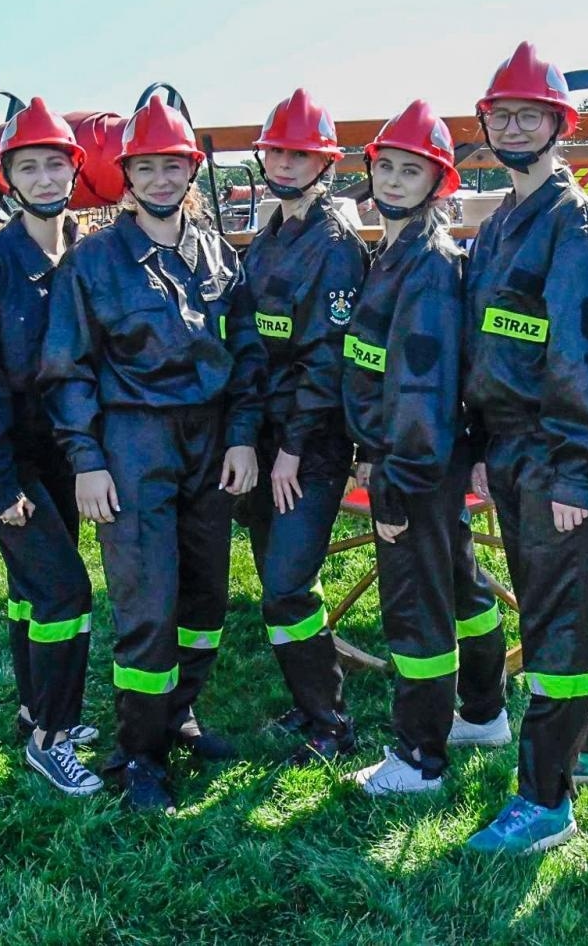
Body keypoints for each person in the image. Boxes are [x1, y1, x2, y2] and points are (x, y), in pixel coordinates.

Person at [40, 95, 266, 814]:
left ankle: (181, 711)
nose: (162, 179)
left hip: (210, 441)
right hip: (134, 442)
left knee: (206, 596)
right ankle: (139, 753)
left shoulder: (212, 250)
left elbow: (247, 351)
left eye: (174, 166)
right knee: (148, 603)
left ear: (190, 172)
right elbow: (67, 368)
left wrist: (240, 434)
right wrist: (87, 460)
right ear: (126, 173)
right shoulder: (93, 263)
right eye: (148, 166)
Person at [461, 42, 588, 854]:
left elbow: (583, 357)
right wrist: (487, 447)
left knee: (556, 628)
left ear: (559, 124)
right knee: (558, 607)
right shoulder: (497, 227)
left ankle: (543, 799)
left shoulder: (574, 220)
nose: (513, 124)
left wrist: (575, 467)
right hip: (514, 450)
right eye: (502, 113)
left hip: (558, 455)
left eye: (529, 113)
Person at [0, 98, 102, 797]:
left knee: (29, 592)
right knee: (65, 591)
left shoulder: (83, 252)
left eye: (54, 163)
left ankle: (32, 705)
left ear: (75, 167)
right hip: (12, 459)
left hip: (65, 451)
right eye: (27, 165)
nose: (43, 177)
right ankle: (52, 738)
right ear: (7, 177)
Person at [340, 99, 477, 794]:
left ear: (436, 182)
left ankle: (419, 757)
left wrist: (393, 483)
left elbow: (420, 389)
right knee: (459, 579)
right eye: (385, 166)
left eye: (411, 169)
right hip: (422, 459)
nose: (394, 180)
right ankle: (482, 713)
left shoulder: (424, 265)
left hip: (413, 461)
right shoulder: (395, 252)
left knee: (416, 607)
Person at [236, 89, 368, 765]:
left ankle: (334, 725)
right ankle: (312, 702)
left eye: (301, 154)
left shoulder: (335, 248)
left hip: (308, 446)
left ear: (325, 163)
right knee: (279, 586)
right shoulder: (270, 237)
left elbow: (327, 361)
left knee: (288, 583)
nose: (286, 164)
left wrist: (289, 449)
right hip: (263, 438)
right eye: (278, 152)